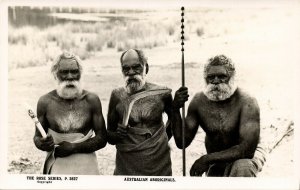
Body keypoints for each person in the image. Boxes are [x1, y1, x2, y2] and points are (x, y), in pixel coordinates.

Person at [173, 55, 266, 177]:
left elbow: (247, 150)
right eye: (211, 77)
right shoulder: (198, 102)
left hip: (247, 155)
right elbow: (182, 142)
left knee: (242, 167)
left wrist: (207, 159)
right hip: (216, 158)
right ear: (205, 79)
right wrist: (174, 108)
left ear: (232, 77)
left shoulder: (247, 102)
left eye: (222, 77)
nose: (216, 81)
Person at [107, 49, 186, 176]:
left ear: (146, 68)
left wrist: (175, 108)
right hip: (127, 167)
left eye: (136, 67)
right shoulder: (117, 96)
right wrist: (117, 135)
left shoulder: (162, 93)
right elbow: (110, 136)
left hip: (158, 166)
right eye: (126, 69)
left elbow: (180, 138)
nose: (131, 73)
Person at [33, 52, 107, 175]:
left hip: (87, 168)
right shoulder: (45, 102)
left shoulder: (91, 100)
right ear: (55, 74)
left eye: (74, 71)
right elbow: (37, 137)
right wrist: (42, 143)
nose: (70, 76)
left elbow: (102, 138)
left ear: (80, 73)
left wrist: (74, 148)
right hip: (57, 166)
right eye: (64, 72)